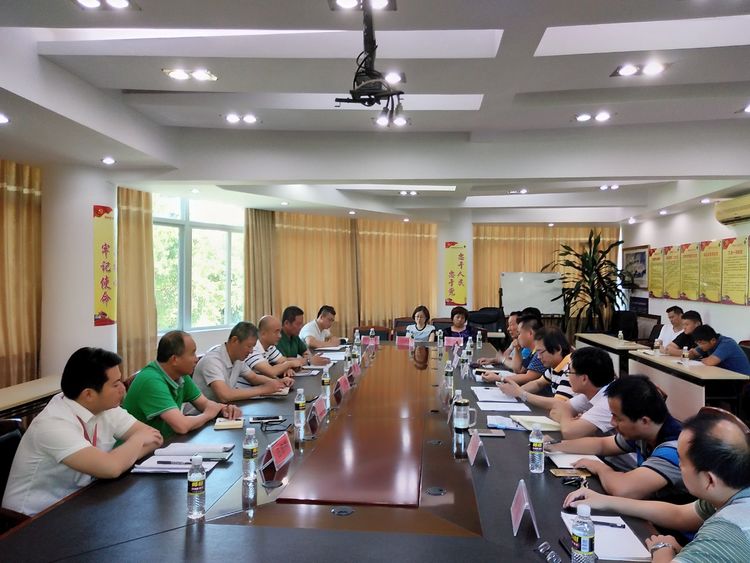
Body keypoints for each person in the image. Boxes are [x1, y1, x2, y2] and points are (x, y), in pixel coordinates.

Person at [562, 408, 750, 562]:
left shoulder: (729, 530)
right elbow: (679, 514)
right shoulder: (729, 492)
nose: (678, 465)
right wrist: (604, 501)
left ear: (709, 480)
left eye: (682, 461)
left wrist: (662, 550)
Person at [2, 348, 163, 516]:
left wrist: (118, 460)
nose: (123, 388)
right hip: (31, 518)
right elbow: (112, 468)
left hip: (78, 501)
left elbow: (154, 438)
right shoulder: (53, 424)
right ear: (89, 394)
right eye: (115, 384)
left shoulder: (105, 407)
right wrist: (136, 441)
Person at [547, 375, 687, 500]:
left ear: (644, 421)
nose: (612, 423)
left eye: (617, 418)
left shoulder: (674, 448)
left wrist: (599, 467)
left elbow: (623, 489)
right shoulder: (645, 431)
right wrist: (554, 445)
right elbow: (602, 445)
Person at [123, 331, 242, 439]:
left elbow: (204, 404)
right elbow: (181, 426)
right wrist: (208, 415)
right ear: (175, 359)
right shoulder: (151, 380)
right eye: (192, 353)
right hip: (138, 452)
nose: (196, 359)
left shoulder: (181, 375)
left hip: (165, 443)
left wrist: (223, 409)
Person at [192, 322, 293, 404]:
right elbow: (224, 395)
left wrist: (278, 382)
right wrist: (264, 389)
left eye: (253, 347)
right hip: (198, 416)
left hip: (222, 410)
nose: (251, 351)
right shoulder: (213, 360)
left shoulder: (237, 358)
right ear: (235, 340)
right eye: (249, 346)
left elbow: (254, 378)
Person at [497, 326, 574, 410]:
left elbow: (558, 404)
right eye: (537, 353)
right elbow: (538, 383)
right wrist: (515, 390)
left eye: (541, 352)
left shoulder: (571, 369)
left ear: (558, 349)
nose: (538, 357)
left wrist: (522, 394)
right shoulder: (554, 365)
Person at [549, 346, 616, 438]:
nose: (567, 376)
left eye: (569, 372)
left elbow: (569, 432)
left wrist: (572, 422)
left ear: (584, 379)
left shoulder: (609, 401)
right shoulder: (592, 391)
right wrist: (572, 421)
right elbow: (555, 411)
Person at [480, 314, 545, 385]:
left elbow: (528, 377)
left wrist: (499, 378)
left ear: (530, 333)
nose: (518, 337)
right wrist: (517, 349)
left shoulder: (540, 353)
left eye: (519, 333)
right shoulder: (532, 352)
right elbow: (517, 370)